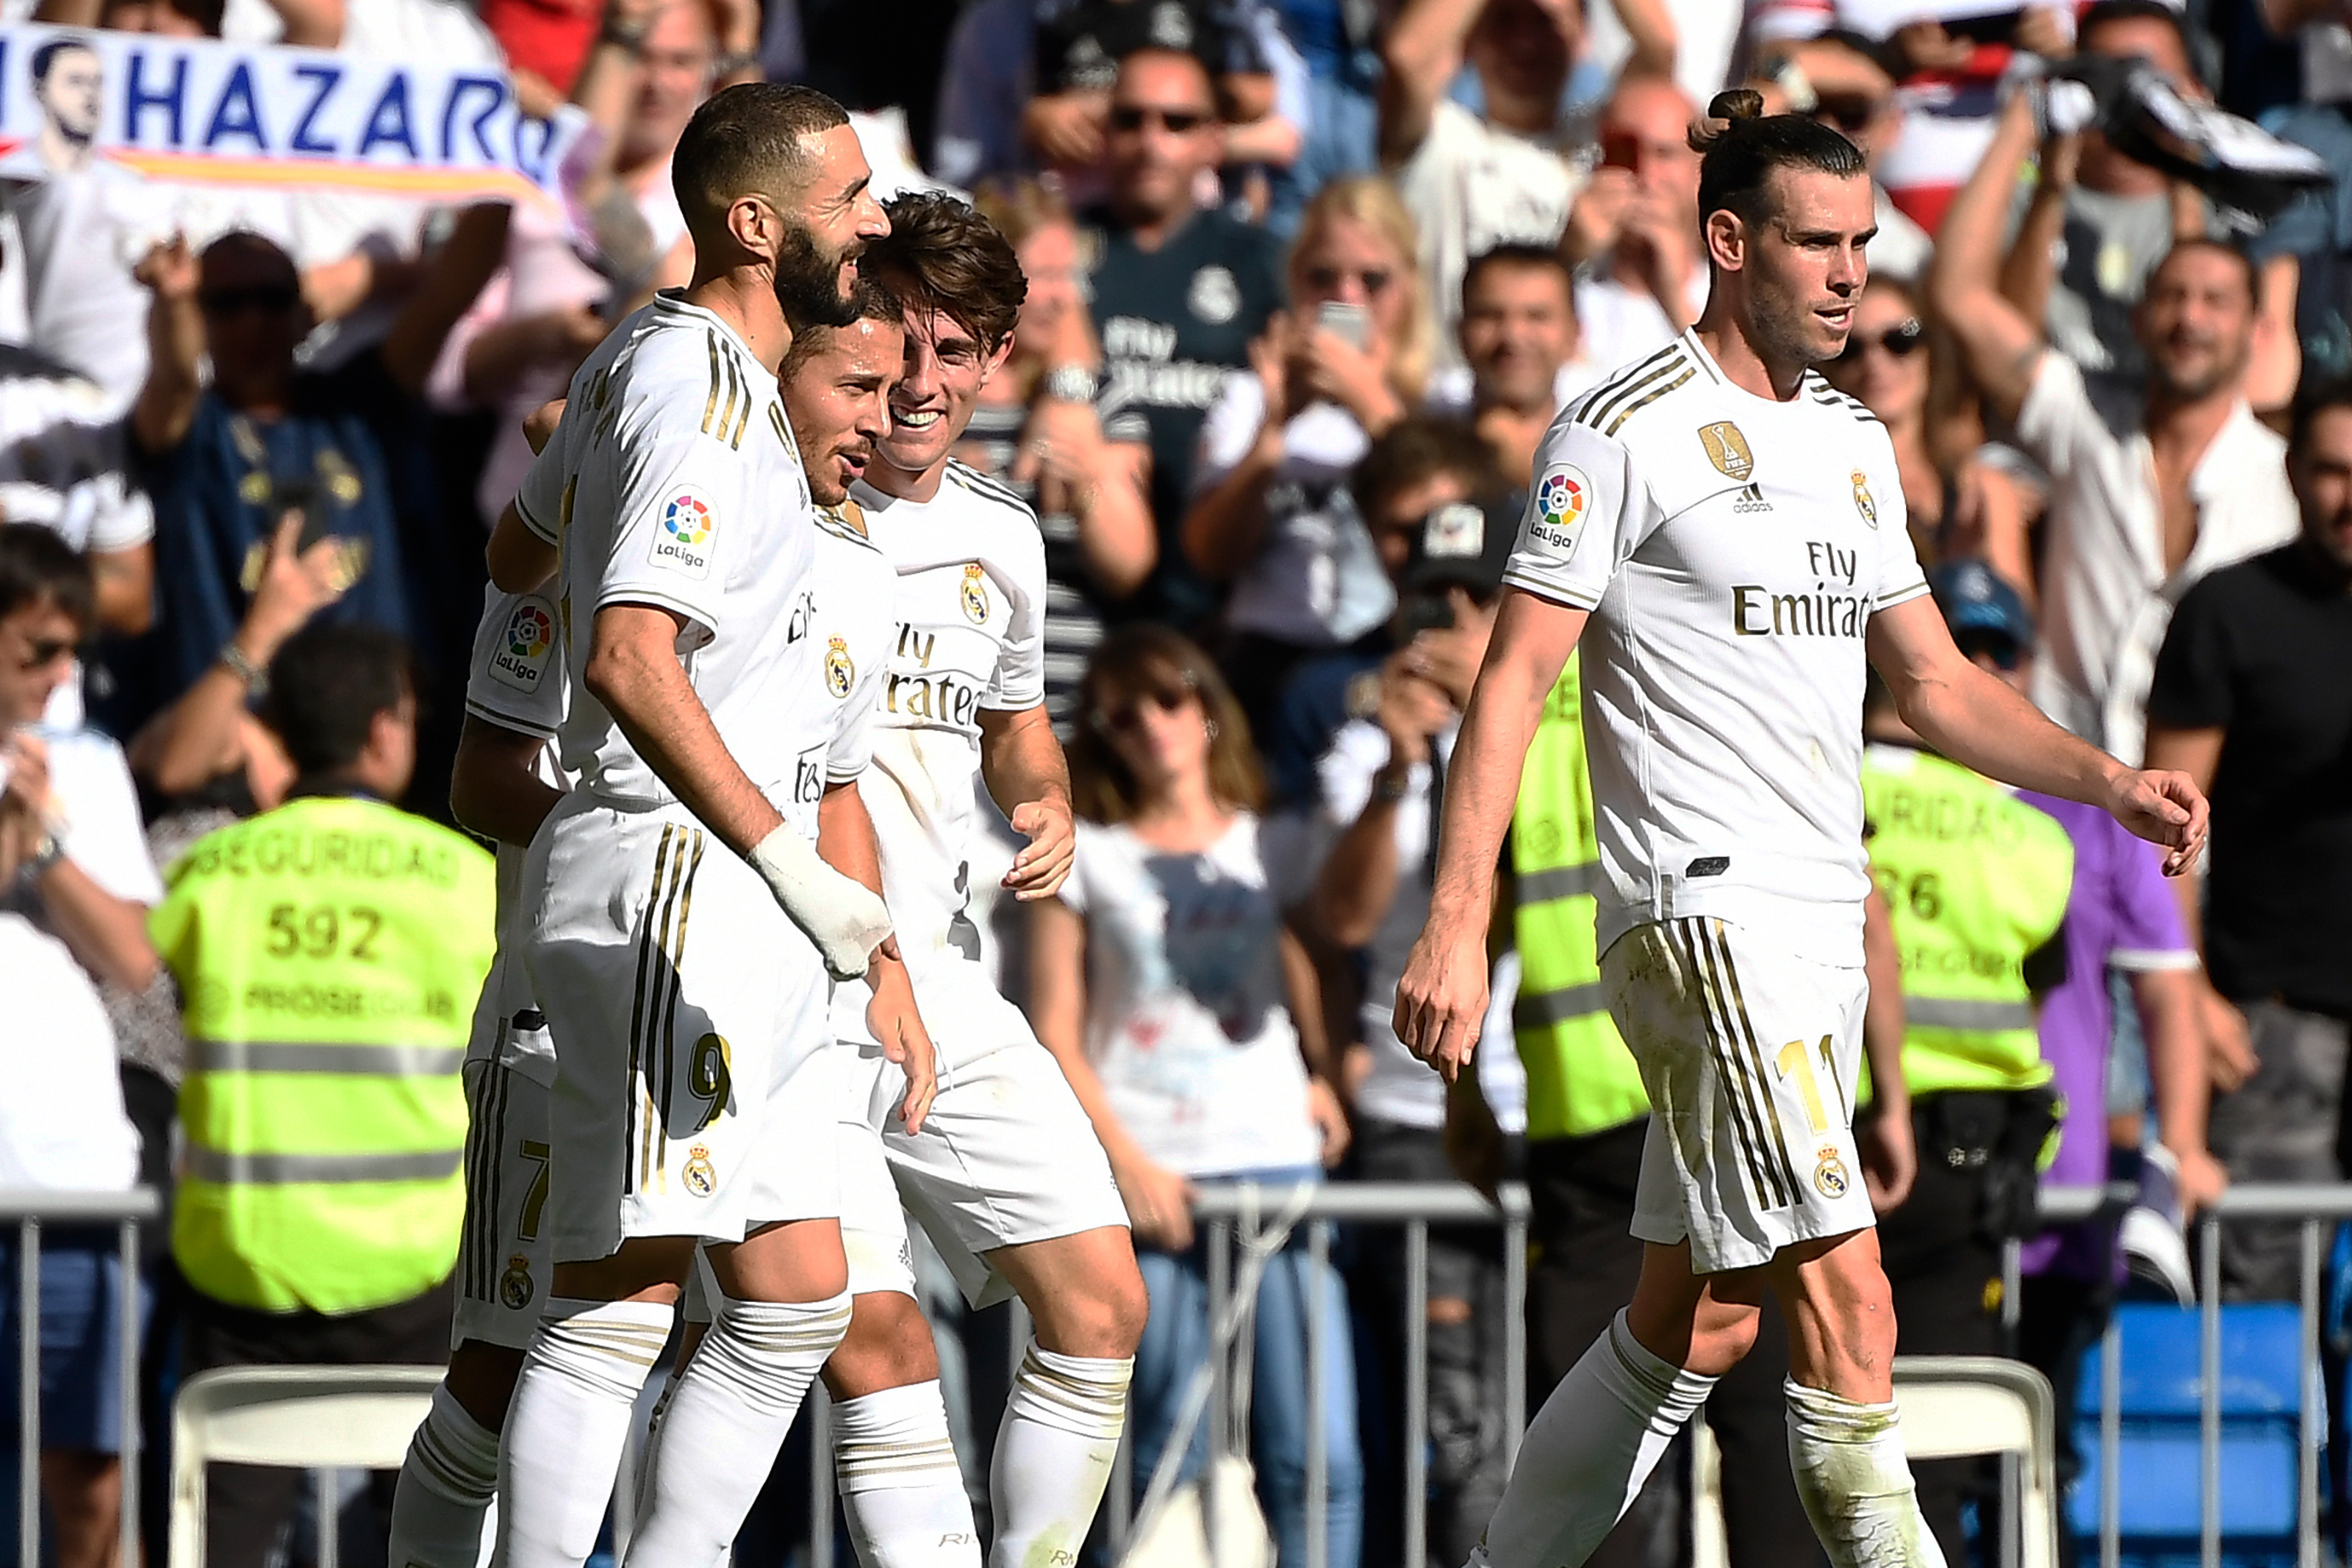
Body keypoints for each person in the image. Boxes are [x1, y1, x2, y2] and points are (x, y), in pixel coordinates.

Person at [1388, 93, 2209, 1568]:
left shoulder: (1847, 441)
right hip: (1702, 915)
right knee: (1853, 1302)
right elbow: (1510, 678)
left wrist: (2105, 776)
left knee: (1696, 1310)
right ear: (1727, 241)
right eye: (1817, 243)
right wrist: (1453, 916)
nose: (1849, 273)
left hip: (1815, 927)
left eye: (1863, 244)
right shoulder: (1619, 427)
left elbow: (1936, 682)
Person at [388, 280, 914, 1568]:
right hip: (581, 977)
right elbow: (481, 769)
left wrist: (874, 952)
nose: (893, 421)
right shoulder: (624, 511)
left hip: (749, 962)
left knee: (796, 1303)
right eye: (863, 388)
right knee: (514, 1355)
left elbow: (827, 782)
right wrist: (635, 829)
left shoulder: (840, 552)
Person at [836, 188, 1149, 1568]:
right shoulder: (778, 494)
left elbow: (1017, 728)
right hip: (789, 979)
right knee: (853, 1338)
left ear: (996, 363)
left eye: (955, 351)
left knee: (1102, 1299)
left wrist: (1052, 803)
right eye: (901, 340)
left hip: (946, 979)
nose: (921, 380)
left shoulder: (1001, 532)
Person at [148, 622, 495, 1568]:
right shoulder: (465, 881)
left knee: (219, 1540)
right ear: (387, 731)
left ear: (281, 735)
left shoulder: (208, 875)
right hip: (413, 1287)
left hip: (243, 1282)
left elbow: (152, 991)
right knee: (435, 1539)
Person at [1030, 625, 1357, 1568]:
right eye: (1122, 715)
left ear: (1205, 704)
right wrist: (1126, 1165)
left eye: (1168, 697)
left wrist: (1326, 1071)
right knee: (1145, 1457)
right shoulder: (1087, 855)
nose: (1151, 725)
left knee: (1319, 1460)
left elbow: (1318, 955)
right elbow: (1054, 1025)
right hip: (1150, 1178)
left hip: (1274, 1162)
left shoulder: (1275, 841)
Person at [1920, 560, 2215, 1522]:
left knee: (2036, 1464)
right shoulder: (1876, 790)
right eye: (1959, 643)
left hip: (2063, 1189)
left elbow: (2170, 990)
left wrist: (2186, 1143)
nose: (1979, 661)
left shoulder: (2090, 813)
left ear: (2027, 660)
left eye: (1996, 647)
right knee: (1916, 1466)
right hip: (1925, 1181)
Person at [1928, 90, 2299, 766]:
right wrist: (2024, 123)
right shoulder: (2084, 416)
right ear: (2138, 318)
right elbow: (1958, 294)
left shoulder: (2287, 477)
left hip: (2217, 824)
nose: (2190, 319)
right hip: (2064, 801)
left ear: (2256, 329)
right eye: (2172, 296)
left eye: (2215, 301)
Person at [1298, 490, 1514, 1564]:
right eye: (1435, 598)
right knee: (1454, 1426)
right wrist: (1397, 770)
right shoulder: (1368, 745)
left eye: (1482, 599)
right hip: (1412, 1113)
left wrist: (1495, 714)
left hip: (1544, 1105)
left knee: (1560, 1411)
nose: (1453, 622)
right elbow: (1338, 919)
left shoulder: (1558, 733)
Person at [1856, 614, 2078, 1564]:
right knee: (1927, 1450)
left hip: (1821, 1143)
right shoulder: (2029, 838)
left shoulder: (1821, 788)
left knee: (1798, 1434)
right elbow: (2045, 988)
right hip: (1963, 1163)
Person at [121, 204, 514, 738]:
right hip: (237, 743)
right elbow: (175, 377)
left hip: (367, 741)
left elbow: (456, 289)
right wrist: (172, 301)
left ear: (304, 312)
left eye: (273, 299)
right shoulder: (190, 429)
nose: (252, 320)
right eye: (226, 303)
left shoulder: (359, 406)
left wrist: (515, 163)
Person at [2143, 381, 2352, 1302]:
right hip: (2272, 1028)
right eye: (2331, 472)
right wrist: (2189, 991)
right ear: (2293, 475)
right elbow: (2163, 828)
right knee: (2261, 1309)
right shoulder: (2229, 611)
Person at [0, 525, 157, 1568]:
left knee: (89, 1494)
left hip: (72, 1187)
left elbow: (134, 961)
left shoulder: (92, 764)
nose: (64, 675)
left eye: (73, 651)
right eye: (35, 651)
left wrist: (42, 845)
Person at [1185, 176, 1435, 731]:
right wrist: (1273, 433)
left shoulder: (1438, 399)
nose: (1347, 298)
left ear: (1410, 286)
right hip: (1266, 657)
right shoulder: (1250, 398)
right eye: (1323, 277)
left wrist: (1372, 404)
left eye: (1373, 280)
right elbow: (1211, 555)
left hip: (1393, 653)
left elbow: (1444, 523)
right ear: (1293, 281)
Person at [1083, 46, 1286, 630]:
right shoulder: (1058, 257)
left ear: (1214, 141)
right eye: (1130, 119)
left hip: (1227, 603)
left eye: (1177, 122)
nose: (1151, 141)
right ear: (1105, 132)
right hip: (1080, 593)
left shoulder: (1260, 266)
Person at [962, 178, 1157, 736]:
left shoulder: (1105, 399)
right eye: (1041, 277)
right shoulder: (937, 387)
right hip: (952, 698)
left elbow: (1130, 565)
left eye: (1068, 277)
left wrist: (1087, 474)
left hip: (1070, 709)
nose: (1061, 297)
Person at [1378, 0, 1669, 372]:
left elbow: (1661, 48)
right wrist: (1569, 249)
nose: (1525, 42)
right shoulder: (1440, 140)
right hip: (1455, 397)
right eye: (1504, 20)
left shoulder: (1600, 139)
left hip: (1578, 402)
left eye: (1545, 23)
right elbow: (1408, 56)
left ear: (1581, 34)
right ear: (1471, 36)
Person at [2004, 1, 2221, 383]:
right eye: (2106, 81)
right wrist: (2053, 184)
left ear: (2196, 91)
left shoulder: (2222, 216)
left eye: (2155, 83)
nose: (2129, 104)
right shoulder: (2020, 203)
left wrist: (2186, 164)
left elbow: (2199, 351)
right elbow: (2008, 345)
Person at [1816, 277, 2029, 586]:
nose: (1876, 362)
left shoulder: (1983, 491)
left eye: (1899, 341)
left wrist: (1979, 572)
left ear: (1930, 352)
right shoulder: (1819, 487)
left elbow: (2018, 624)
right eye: (1852, 348)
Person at [1427, 244, 1600, 485]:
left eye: (1537, 316)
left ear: (1574, 335)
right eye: (1491, 315)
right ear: (1460, 332)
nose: (1513, 336)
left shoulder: (1609, 437)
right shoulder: (1428, 422)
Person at [1572, 73, 1710, 374]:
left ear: (1703, 170)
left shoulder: (1736, 298)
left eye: (1665, 154)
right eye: (1626, 153)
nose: (1646, 174)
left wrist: (1673, 297)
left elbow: (1752, 408)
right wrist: (1566, 258)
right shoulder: (1569, 294)